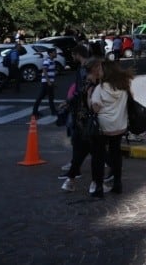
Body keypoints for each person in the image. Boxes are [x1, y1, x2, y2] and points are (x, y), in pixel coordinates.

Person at [60, 48, 103, 191]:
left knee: (79, 155)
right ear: (95, 69)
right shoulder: (93, 86)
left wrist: (67, 103)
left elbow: (77, 97)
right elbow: (93, 106)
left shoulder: (84, 82)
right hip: (90, 126)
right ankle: (95, 185)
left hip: (80, 124)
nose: (102, 70)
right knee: (97, 156)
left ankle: (69, 182)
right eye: (100, 67)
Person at [89, 60, 134, 197]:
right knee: (116, 154)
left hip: (103, 127)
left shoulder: (100, 88)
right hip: (119, 126)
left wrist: (89, 98)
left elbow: (95, 108)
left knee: (98, 156)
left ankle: (98, 187)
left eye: (101, 70)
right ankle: (117, 184)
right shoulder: (124, 86)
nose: (99, 72)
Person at [32, 48, 60, 119]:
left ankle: (52, 111)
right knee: (43, 97)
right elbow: (44, 71)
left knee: (49, 97)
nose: (56, 54)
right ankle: (35, 112)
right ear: (50, 53)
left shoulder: (52, 61)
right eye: (54, 52)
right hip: (46, 83)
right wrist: (48, 82)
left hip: (49, 82)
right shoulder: (47, 61)